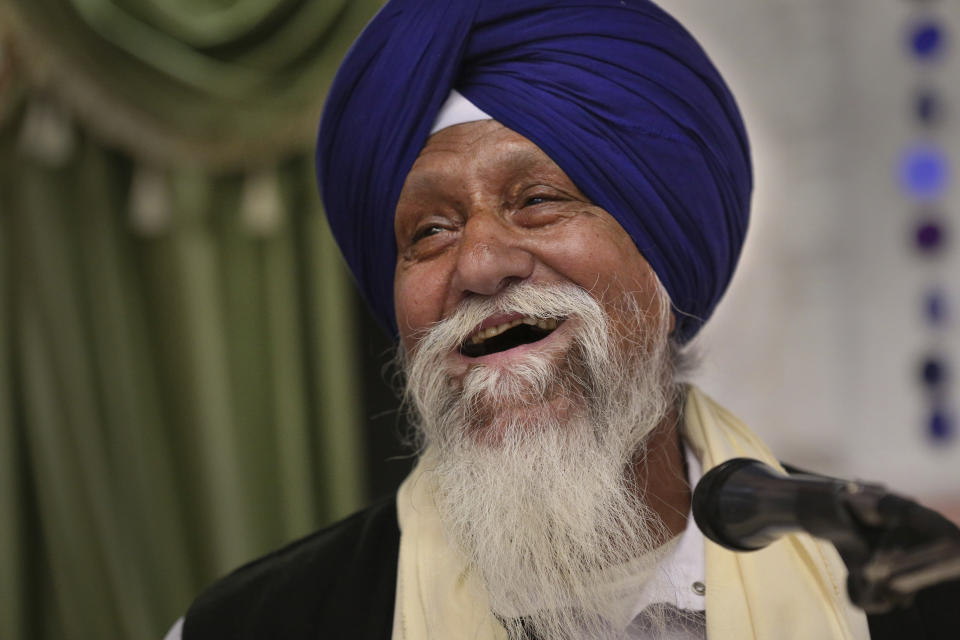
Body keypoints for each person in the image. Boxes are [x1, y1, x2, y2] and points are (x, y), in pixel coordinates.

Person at [168, 1, 959, 638]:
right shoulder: (259, 623)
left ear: (661, 252)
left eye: (539, 201)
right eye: (429, 233)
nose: (479, 265)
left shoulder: (908, 586)